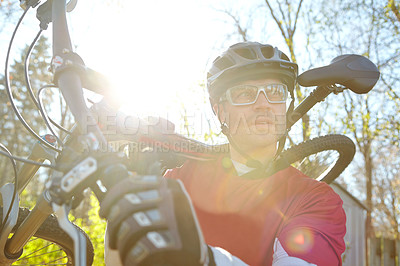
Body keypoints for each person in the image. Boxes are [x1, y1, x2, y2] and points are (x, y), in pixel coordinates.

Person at [103, 42, 346, 266]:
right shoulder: (179, 180)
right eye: (244, 94)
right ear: (220, 112)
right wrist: (122, 195)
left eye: (275, 91)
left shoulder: (315, 199)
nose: (263, 104)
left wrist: (201, 258)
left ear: (286, 106)